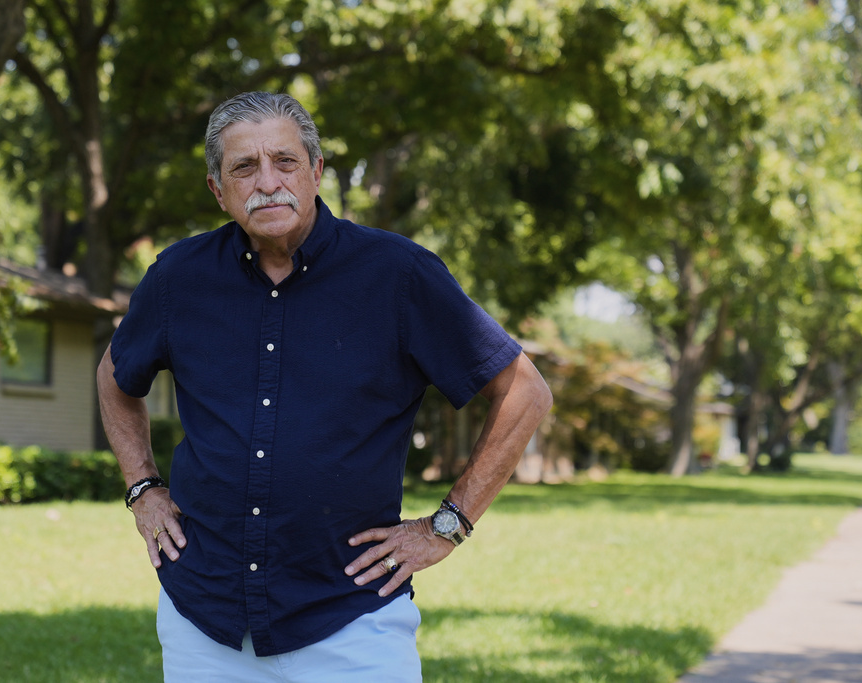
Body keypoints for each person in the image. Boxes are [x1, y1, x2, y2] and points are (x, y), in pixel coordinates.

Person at [96, 91, 552, 681]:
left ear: (315, 172)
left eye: (285, 162)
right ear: (218, 189)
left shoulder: (400, 275)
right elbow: (115, 375)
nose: (267, 182)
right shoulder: (177, 278)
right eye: (244, 167)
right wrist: (142, 488)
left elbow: (524, 391)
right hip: (201, 618)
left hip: (351, 619)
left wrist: (449, 524)